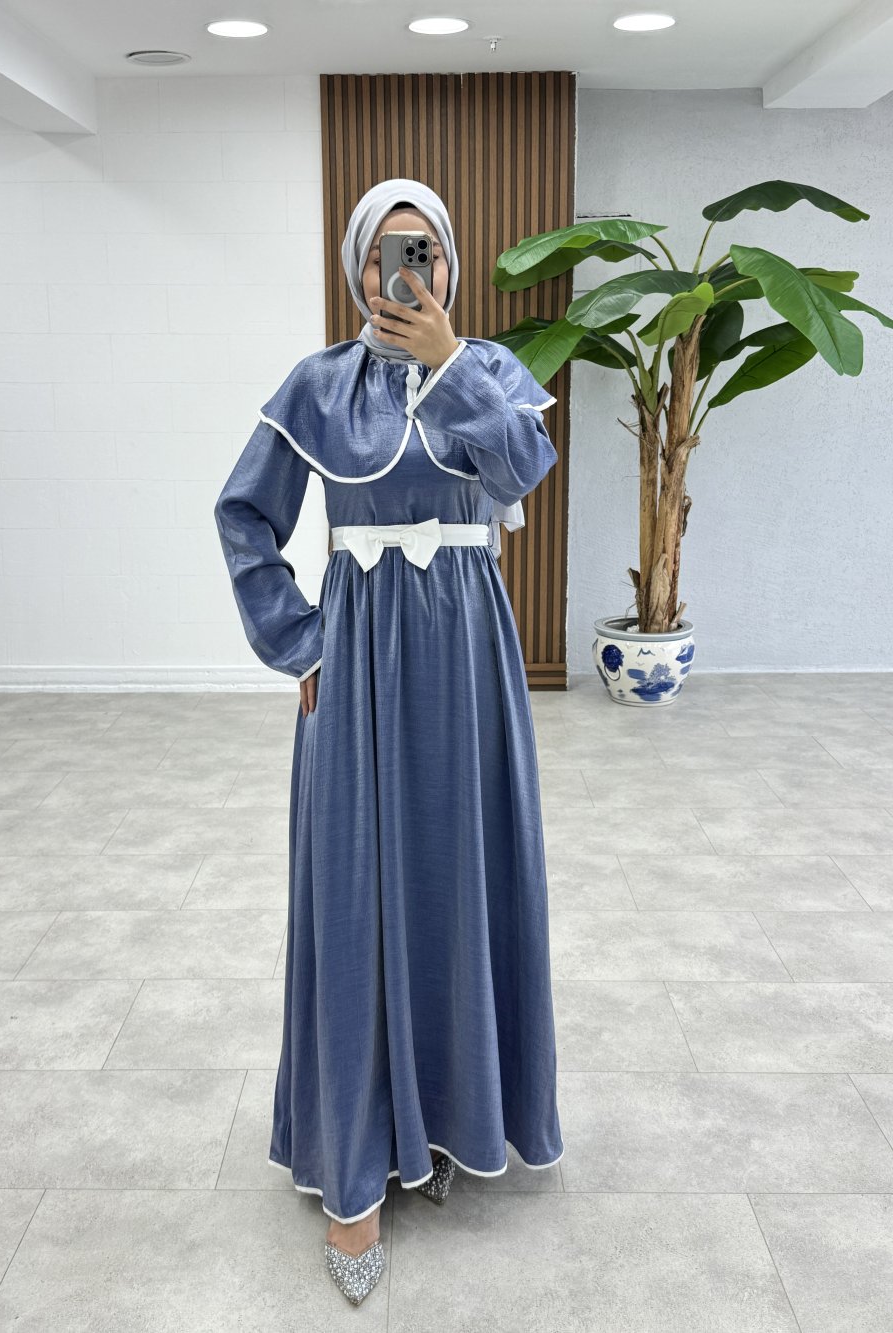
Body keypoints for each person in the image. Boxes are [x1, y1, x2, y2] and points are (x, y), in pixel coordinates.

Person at [213, 178, 564, 1307]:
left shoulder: (491, 370)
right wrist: (299, 643)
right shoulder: (318, 385)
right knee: (353, 887)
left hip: (466, 659)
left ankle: (449, 1114)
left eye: (423, 254)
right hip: (359, 659)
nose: (402, 276)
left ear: (448, 265)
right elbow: (244, 514)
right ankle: (354, 1164)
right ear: (356, 267)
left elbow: (523, 471)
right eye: (382, 256)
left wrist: (452, 361)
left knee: (459, 874)